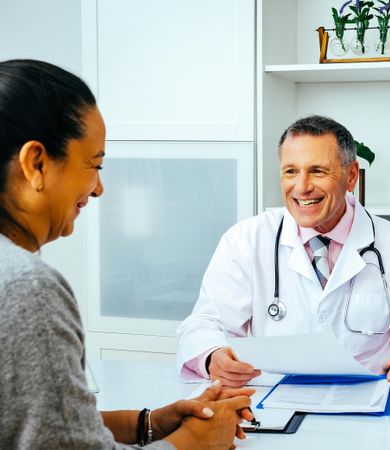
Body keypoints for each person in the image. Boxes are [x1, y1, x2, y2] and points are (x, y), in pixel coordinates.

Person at [0, 59, 255, 449]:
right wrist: (197, 442)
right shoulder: (25, 288)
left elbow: (30, 423)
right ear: (36, 163)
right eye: (94, 165)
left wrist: (149, 424)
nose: (99, 188)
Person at [177, 115, 390, 386]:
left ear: (351, 175)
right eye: (290, 171)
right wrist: (212, 355)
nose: (302, 187)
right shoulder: (245, 240)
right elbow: (205, 323)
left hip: (370, 411)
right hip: (272, 405)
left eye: (317, 171)